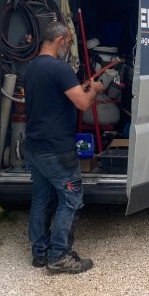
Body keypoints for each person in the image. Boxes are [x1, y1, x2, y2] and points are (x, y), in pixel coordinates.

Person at [24, 21, 104, 274]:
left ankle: (39, 253)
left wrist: (78, 89)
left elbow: (54, 97)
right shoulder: (60, 69)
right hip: (58, 150)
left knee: (40, 199)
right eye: (68, 42)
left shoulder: (32, 68)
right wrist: (95, 91)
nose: (68, 46)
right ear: (59, 40)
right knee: (70, 200)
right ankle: (59, 255)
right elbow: (82, 104)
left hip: (35, 148)